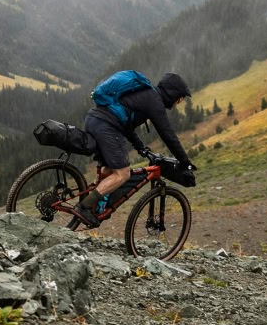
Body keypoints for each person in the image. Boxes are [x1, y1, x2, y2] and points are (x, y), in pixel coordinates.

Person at [76, 72, 195, 227]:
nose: (178, 102)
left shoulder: (146, 95)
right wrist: (185, 161)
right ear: (173, 94)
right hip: (107, 127)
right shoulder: (154, 101)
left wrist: (141, 148)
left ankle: (93, 205)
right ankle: (83, 207)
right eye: (179, 99)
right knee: (123, 174)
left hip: (95, 120)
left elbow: (128, 126)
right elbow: (168, 135)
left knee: (108, 170)